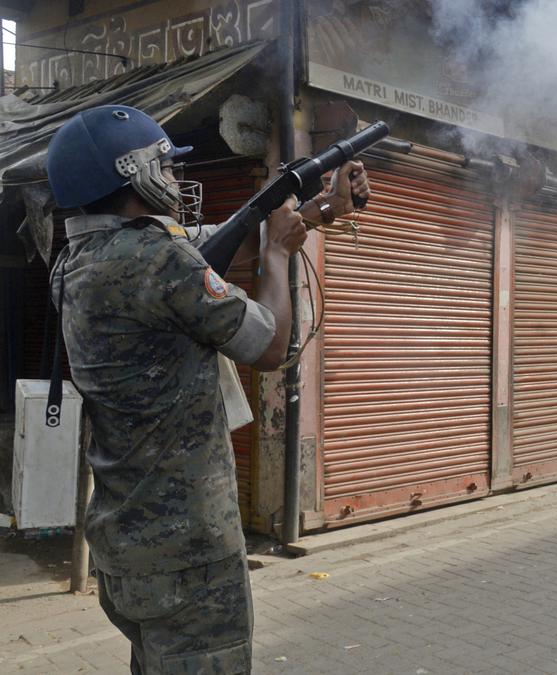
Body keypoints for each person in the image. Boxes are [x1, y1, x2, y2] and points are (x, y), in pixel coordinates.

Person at [45, 104, 370, 673]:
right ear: (133, 173)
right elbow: (267, 346)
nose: (174, 179)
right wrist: (277, 253)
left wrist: (318, 211)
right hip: (188, 553)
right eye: (165, 167)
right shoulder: (157, 261)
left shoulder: (79, 261)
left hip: (128, 543)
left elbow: (214, 247)